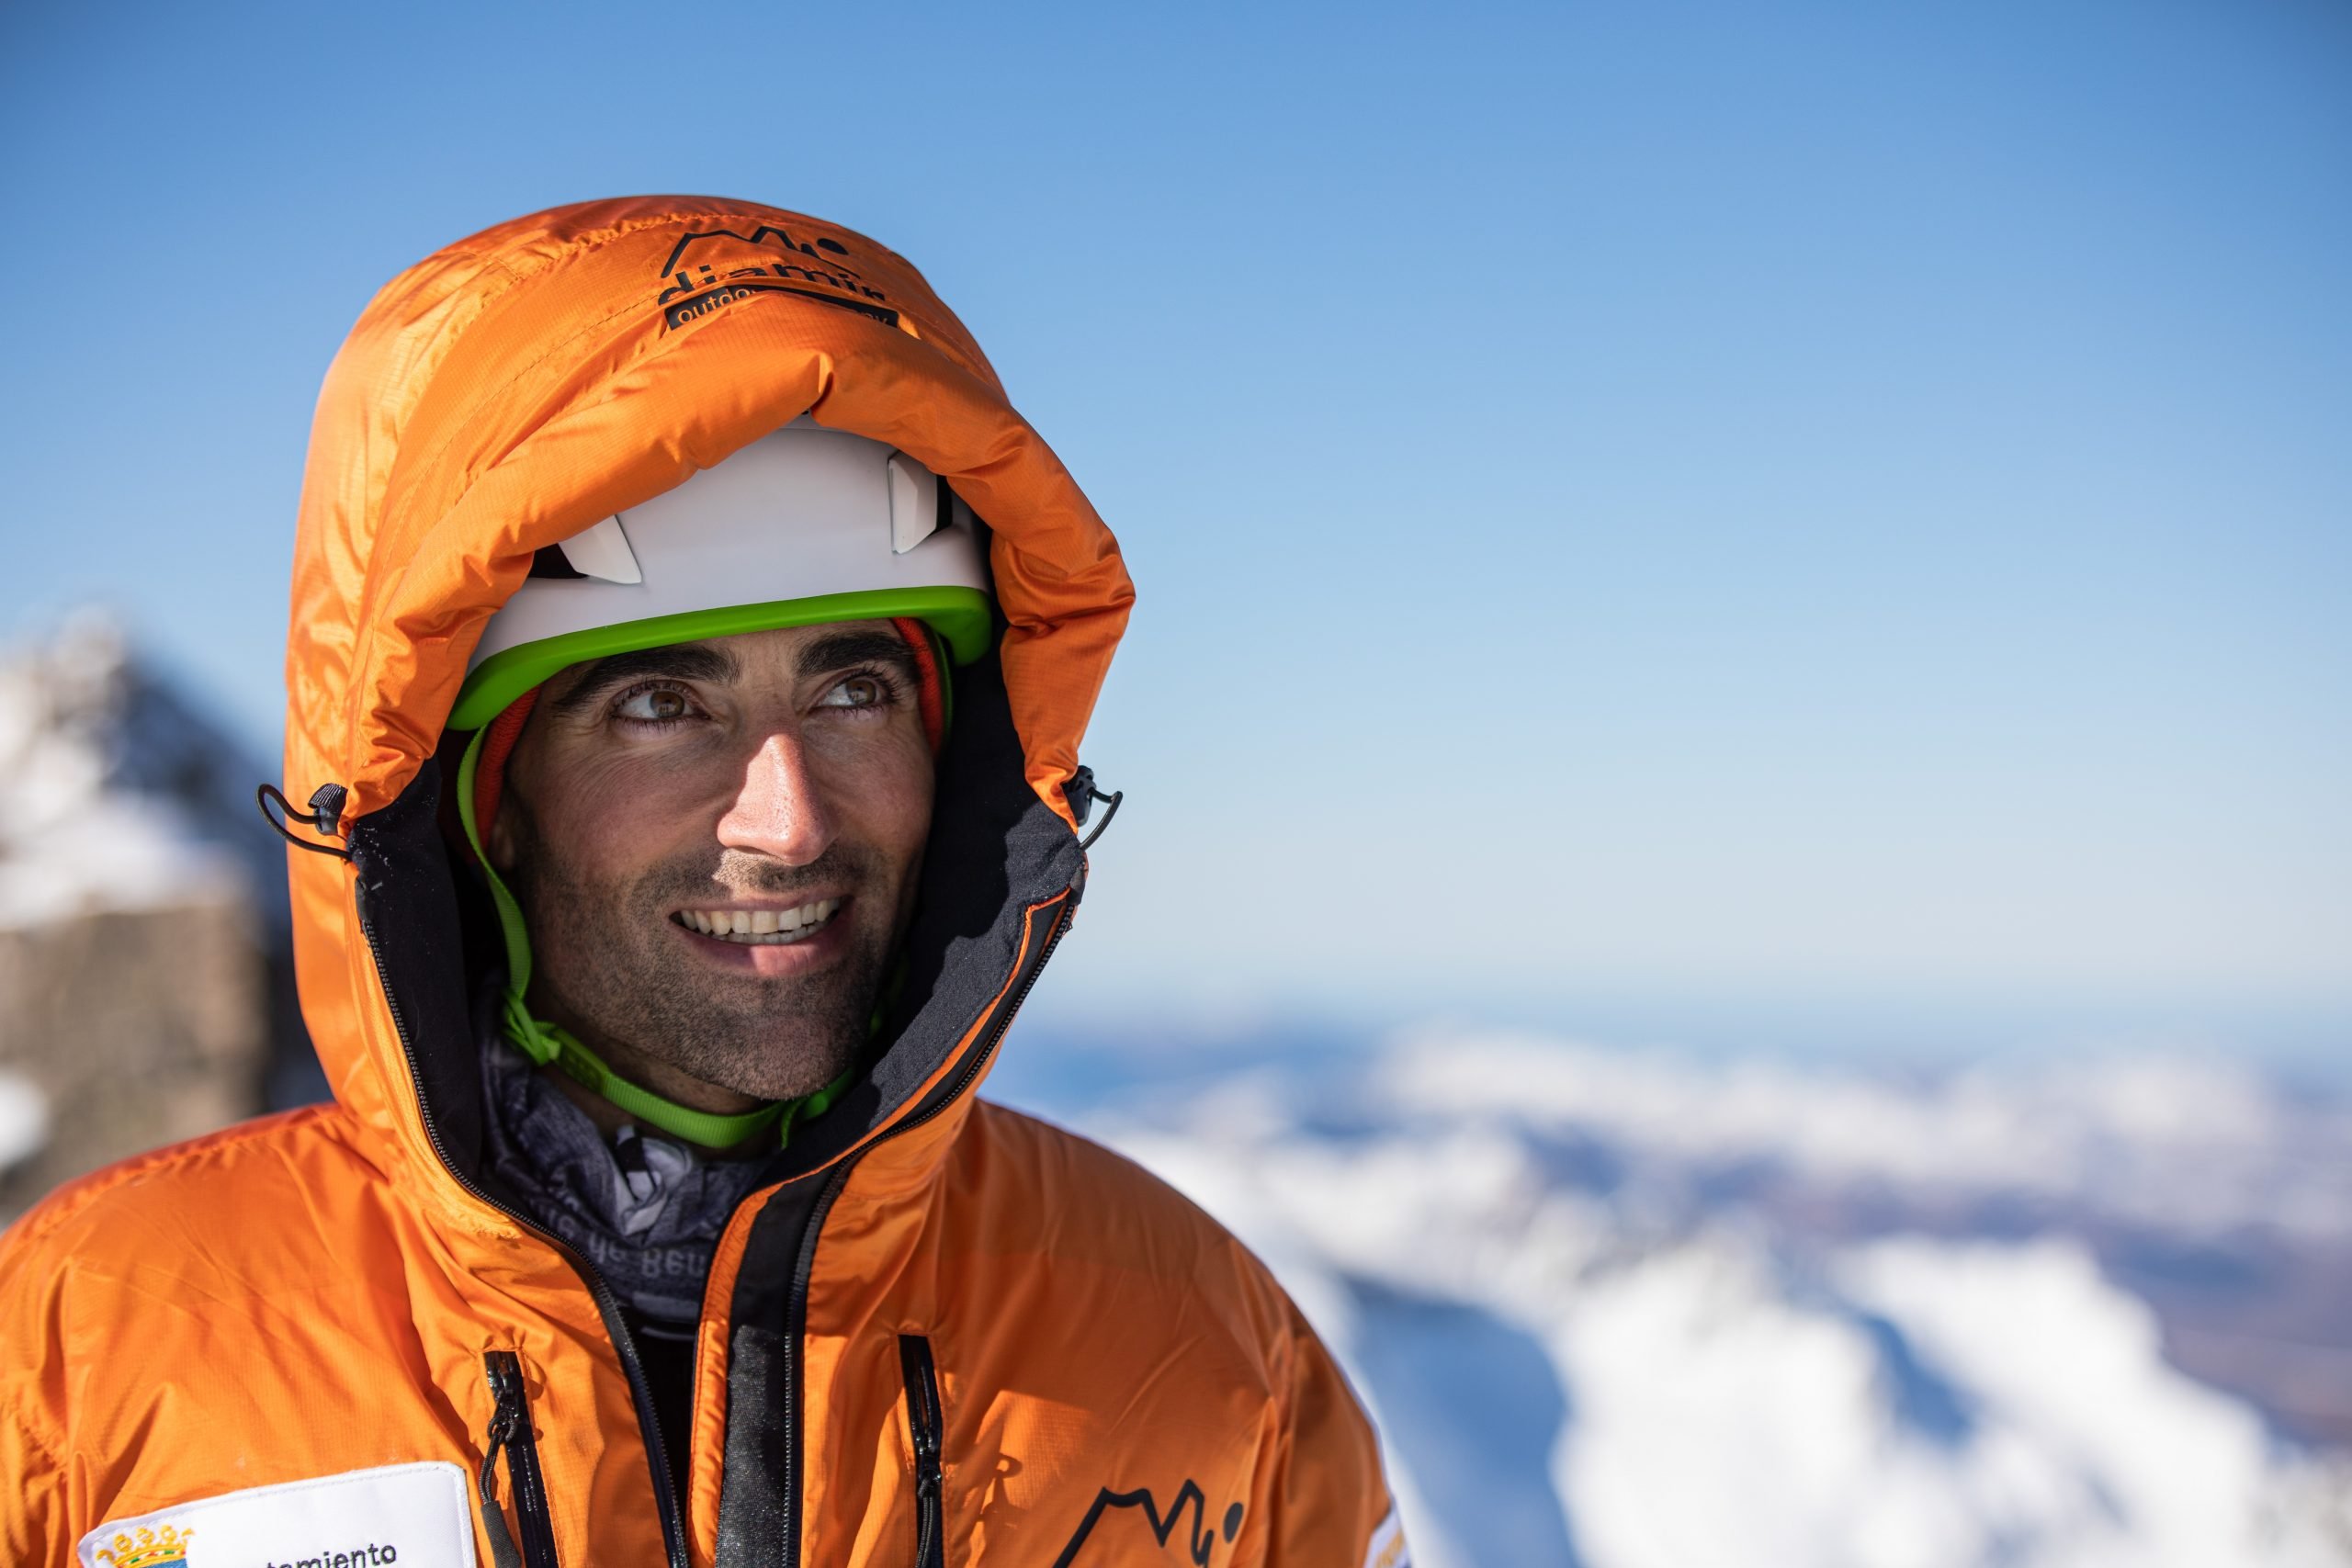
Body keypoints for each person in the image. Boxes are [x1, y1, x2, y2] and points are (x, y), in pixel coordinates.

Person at [0, 197, 1408, 1568]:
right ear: (482, 799)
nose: (787, 822)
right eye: (661, 707)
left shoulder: (1208, 1349)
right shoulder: (78, 1355)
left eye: (855, 688)